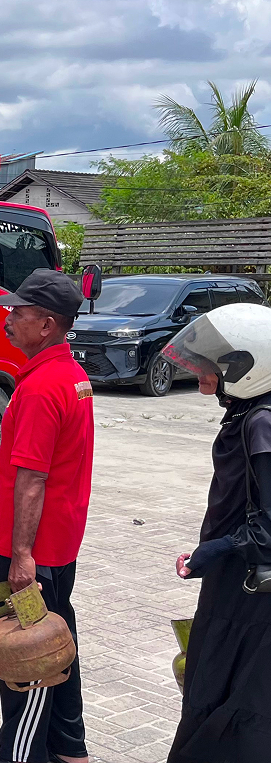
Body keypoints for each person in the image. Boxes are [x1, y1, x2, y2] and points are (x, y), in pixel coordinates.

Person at [0, 269, 93, 763]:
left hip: (35, 548)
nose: (8, 318)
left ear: (47, 324)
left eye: (19, 312)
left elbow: (33, 478)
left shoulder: (42, 388)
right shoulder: (71, 376)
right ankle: (69, 748)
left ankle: (19, 755)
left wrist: (22, 555)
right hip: (58, 542)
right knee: (59, 640)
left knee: (30, 652)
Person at [165, 303, 271, 761]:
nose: (204, 377)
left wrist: (219, 549)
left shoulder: (261, 423)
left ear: (249, 368)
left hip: (249, 594)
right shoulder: (249, 417)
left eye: (215, 367)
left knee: (228, 703)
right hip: (236, 584)